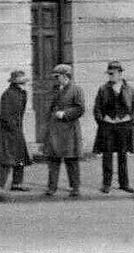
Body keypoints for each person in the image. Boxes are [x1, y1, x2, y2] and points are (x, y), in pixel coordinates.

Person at [93, 60, 134, 194]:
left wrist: (131, 118)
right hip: (108, 127)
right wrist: (102, 120)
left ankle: (124, 183)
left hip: (124, 127)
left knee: (122, 155)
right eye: (109, 74)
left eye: (113, 74)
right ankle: (106, 184)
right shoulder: (103, 89)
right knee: (107, 155)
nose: (110, 76)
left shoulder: (129, 89)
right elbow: (97, 108)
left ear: (120, 74)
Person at [42, 63, 85, 198]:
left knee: (71, 160)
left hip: (69, 130)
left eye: (58, 76)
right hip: (54, 129)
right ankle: (52, 187)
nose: (56, 79)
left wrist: (65, 114)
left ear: (66, 76)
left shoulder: (76, 90)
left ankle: (75, 187)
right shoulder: (55, 90)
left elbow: (80, 109)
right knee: (53, 160)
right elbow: (50, 108)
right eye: (55, 77)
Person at [0, 69, 31, 192]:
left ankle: (17, 183)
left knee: (20, 156)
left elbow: (20, 113)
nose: (24, 85)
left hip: (16, 128)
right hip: (6, 130)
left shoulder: (22, 94)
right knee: (6, 159)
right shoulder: (8, 94)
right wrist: (13, 128)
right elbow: (5, 115)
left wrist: (18, 129)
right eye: (21, 83)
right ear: (15, 83)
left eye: (24, 83)